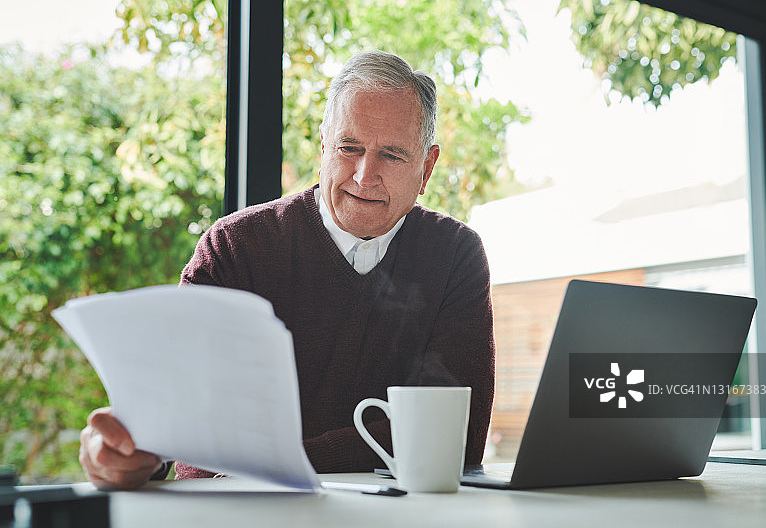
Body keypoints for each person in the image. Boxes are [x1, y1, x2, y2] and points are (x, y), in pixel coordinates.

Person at [79, 50, 495, 489]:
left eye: (391, 155)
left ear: (426, 168)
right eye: (348, 148)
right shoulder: (234, 248)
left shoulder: (454, 256)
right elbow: (167, 416)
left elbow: (454, 439)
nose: (364, 173)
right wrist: (125, 450)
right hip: (235, 514)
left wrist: (277, 461)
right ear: (322, 146)